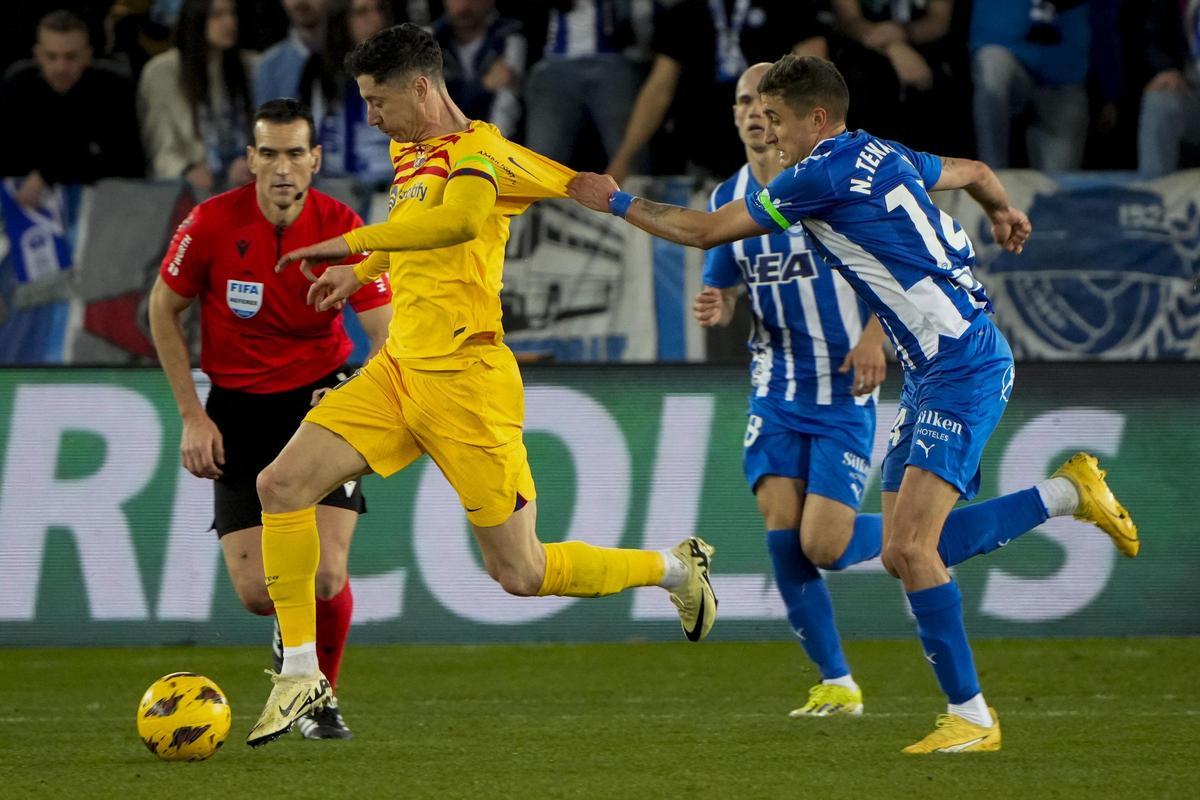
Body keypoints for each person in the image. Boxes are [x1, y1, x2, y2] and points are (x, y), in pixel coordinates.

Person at [569, 54, 1140, 752]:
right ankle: (1065, 495)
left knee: (907, 548)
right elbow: (975, 171)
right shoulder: (881, 151)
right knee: (906, 552)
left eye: (777, 120)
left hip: (961, 363)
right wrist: (1001, 212)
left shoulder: (819, 174)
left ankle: (973, 718)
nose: (769, 134)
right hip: (933, 371)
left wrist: (616, 200)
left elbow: (704, 231)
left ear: (816, 118)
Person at [242, 23, 718, 748]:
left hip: (468, 383)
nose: (371, 118)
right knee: (279, 486)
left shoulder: (479, 155)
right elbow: (419, 222)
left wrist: (354, 243)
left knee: (521, 573)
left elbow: (460, 221)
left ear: (422, 89)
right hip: (401, 369)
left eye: (378, 101)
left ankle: (674, 569)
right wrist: (363, 274)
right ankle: (300, 672)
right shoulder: (412, 150)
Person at [149, 98, 392, 740]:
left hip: (322, 400)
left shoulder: (343, 227)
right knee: (260, 593)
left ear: (314, 160)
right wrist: (191, 416)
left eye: (295, 153)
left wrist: (353, 395)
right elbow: (161, 309)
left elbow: (386, 334)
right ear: (251, 158)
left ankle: (317, 701)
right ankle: (294, 654)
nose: (282, 167)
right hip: (236, 410)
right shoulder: (209, 224)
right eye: (270, 153)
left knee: (326, 573)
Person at [696, 62, 889, 718]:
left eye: (763, 102)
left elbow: (891, 267)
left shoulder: (829, 185)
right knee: (782, 530)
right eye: (742, 101)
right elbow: (722, 276)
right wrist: (716, 302)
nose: (753, 112)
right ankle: (836, 680)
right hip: (775, 388)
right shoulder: (729, 195)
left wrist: (874, 333)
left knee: (825, 545)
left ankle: (918, 532)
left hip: (843, 388)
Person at [0, 10, 144, 209]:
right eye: (51, 57)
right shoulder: (18, 84)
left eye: (70, 57)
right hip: (26, 207)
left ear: (87, 55)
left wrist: (47, 173)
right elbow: (10, 157)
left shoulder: (112, 87)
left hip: (101, 206)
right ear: (38, 55)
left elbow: (127, 163)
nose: (61, 67)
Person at [138, 0, 256, 192]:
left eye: (232, 14)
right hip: (187, 188)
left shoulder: (251, 66)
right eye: (217, 16)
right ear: (195, 19)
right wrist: (185, 170)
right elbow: (161, 148)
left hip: (246, 186)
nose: (230, 23)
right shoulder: (163, 72)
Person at [432, 0, 526, 138]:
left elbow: (507, 102)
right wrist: (483, 85)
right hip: (441, 143)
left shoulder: (509, 36)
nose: (464, 5)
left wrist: (493, 146)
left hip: (494, 145)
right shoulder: (429, 39)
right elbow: (433, 108)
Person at [1137, 0, 1200, 178]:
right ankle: (1155, 196)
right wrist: (1166, 68)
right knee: (1159, 100)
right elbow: (1154, 37)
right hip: (1192, 91)